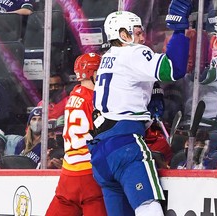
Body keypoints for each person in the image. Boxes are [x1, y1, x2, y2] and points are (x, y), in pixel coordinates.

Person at [88, 0, 192, 214]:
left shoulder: (107, 58)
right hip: (125, 145)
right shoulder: (132, 52)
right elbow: (173, 70)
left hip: (100, 153)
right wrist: (178, 30)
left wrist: (151, 91)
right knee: (148, 208)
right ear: (123, 34)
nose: (143, 37)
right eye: (137, 32)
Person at [45, 53, 107, 216]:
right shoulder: (97, 100)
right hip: (90, 175)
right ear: (94, 74)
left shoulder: (73, 95)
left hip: (68, 175)